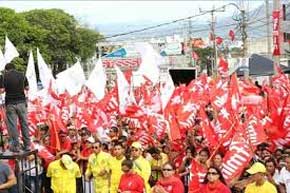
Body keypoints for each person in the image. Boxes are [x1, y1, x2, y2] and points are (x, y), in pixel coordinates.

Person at [0, 63, 30, 152]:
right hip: (21, 102)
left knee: (13, 125)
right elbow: (27, 88)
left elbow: (1, 90)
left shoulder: (3, 77)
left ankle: (16, 147)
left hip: (10, 103)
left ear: (6, 70)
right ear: (14, 68)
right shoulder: (22, 75)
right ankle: (27, 145)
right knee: (24, 123)